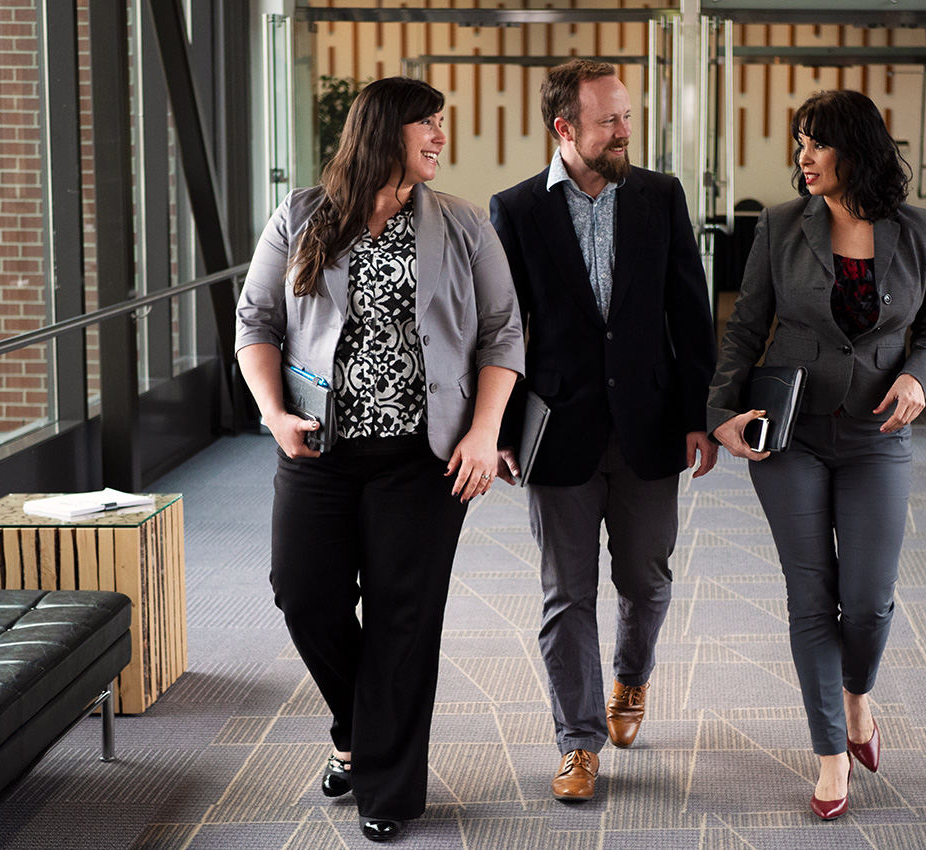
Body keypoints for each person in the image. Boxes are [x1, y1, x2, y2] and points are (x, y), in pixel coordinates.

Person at [234, 77, 524, 843]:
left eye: (440, 123)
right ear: (382, 130)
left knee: (403, 614)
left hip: (423, 456)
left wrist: (483, 432)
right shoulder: (301, 215)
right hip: (317, 444)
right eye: (426, 123)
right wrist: (272, 414)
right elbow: (256, 321)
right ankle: (357, 730)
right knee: (303, 594)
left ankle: (386, 791)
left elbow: (503, 334)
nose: (438, 135)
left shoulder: (463, 223)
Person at [707, 89, 926, 820]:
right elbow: (747, 325)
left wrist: (918, 373)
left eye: (817, 143)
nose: (803, 159)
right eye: (799, 144)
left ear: (857, 148)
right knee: (811, 592)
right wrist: (721, 411)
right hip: (794, 434)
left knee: (871, 600)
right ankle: (830, 754)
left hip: (879, 435)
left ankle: (857, 701)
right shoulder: (782, 226)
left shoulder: (919, 230)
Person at [489, 59, 717, 802]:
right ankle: (577, 740)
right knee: (566, 594)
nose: (626, 131)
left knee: (645, 582)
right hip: (557, 430)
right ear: (565, 129)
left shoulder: (659, 196)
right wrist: (498, 429)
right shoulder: (516, 210)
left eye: (627, 116)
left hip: (650, 423)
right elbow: (503, 332)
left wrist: (696, 418)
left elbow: (691, 315)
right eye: (609, 121)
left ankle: (631, 676)